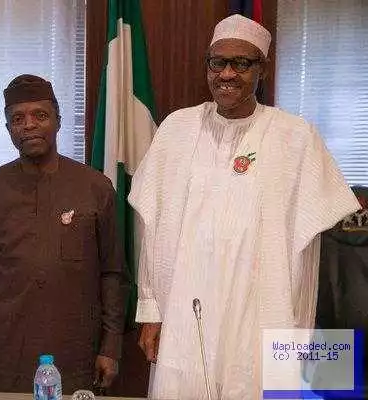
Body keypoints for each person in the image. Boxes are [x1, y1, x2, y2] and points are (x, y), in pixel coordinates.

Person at [128, 14, 361, 399]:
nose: (228, 74)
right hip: (187, 309)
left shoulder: (295, 137)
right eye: (218, 62)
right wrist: (151, 310)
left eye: (242, 63)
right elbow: (150, 228)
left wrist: (297, 341)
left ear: (262, 69)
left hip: (260, 311)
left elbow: (310, 243)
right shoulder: (176, 130)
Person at [0, 74, 126, 395]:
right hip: (8, 350)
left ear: (58, 121)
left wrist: (111, 346)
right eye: (18, 118)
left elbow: (113, 273)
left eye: (40, 115)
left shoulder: (95, 188)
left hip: (78, 350)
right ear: (8, 127)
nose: (29, 125)